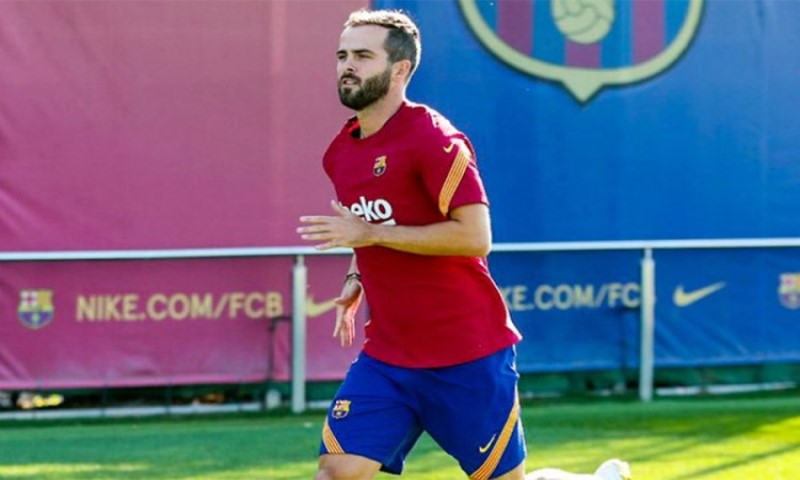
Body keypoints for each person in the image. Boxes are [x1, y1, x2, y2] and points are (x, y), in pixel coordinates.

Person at [297, 8, 631, 480]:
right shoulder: (342, 152)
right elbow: (370, 223)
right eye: (342, 55)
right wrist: (358, 271)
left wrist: (370, 235)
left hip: (467, 353)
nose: (348, 65)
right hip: (389, 355)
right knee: (336, 473)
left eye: (363, 56)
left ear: (400, 69)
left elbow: (476, 237)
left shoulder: (434, 139)